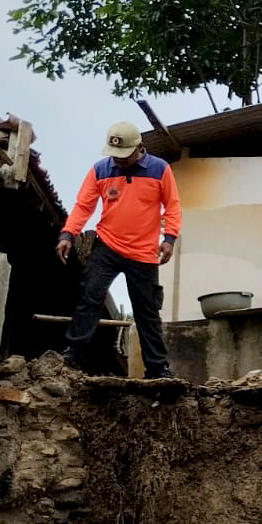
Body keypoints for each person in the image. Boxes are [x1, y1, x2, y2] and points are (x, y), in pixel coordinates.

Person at [56, 122, 182, 379]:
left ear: (139, 148)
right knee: (89, 296)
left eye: (125, 155)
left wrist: (169, 238)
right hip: (108, 246)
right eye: (115, 156)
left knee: (146, 312)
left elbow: (172, 207)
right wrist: (68, 233)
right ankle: (73, 356)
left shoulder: (160, 169)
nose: (120, 161)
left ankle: (158, 370)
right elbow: (83, 206)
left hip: (144, 253)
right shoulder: (100, 170)